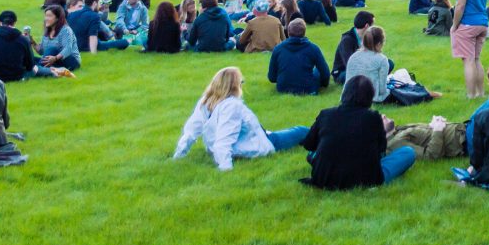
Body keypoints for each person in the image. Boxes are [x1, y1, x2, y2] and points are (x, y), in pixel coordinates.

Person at [173, 67, 309, 171]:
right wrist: (225, 168)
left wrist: (179, 154)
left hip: (246, 139)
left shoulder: (207, 101)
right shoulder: (231, 106)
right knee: (302, 131)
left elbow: (191, 131)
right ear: (234, 86)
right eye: (241, 82)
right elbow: (224, 140)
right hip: (252, 145)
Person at [301, 75, 416, 189]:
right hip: (366, 179)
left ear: (345, 92)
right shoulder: (373, 118)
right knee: (408, 152)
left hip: (324, 179)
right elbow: (381, 150)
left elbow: (309, 144)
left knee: (313, 154)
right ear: (370, 96)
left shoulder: (326, 114)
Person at [450, 0, 489, 99]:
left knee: (468, 61)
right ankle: (480, 93)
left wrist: (454, 25)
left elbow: (460, 6)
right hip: (482, 22)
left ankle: (471, 95)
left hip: (468, 23)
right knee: (476, 59)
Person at [268, 19, 331, 95]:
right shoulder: (313, 48)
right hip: (308, 88)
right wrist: (324, 84)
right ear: (304, 32)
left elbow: (272, 77)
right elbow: (325, 73)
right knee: (317, 70)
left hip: (282, 88)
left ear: (288, 32)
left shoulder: (278, 48)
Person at [0, 10, 36, 82]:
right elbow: (30, 64)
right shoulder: (23, 40)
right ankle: (52, 71)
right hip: (18, 76)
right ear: (14, 23)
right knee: (35, 68)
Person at [344, 25, 392, 102]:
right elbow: (382, 90)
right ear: (379, 43)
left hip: (349, 96)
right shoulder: (382, 59)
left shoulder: (353, 56)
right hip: (372, 97)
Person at [32, 4, 80, 75]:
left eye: (49, 16)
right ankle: (42, 69)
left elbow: (68, 49)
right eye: (46, 16)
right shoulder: (47, 31)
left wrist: (55, 58)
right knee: (30, 59)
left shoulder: (65, 30)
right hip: (55, 61)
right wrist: (32, 42)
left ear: (58, 18)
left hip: (71, 61)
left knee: (51, 49)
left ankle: (38, 71)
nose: (46, 18)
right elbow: (42, 51)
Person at [332, 11, 376, 84]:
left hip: (362, 67)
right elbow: (350, 64)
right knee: (361, 74)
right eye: (372, 25)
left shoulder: (367, 37)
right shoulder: (347, 40)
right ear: (367, 26)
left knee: (388, 63)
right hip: (343, 72)